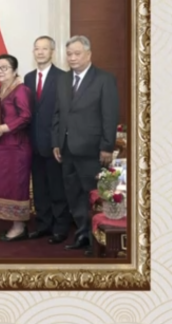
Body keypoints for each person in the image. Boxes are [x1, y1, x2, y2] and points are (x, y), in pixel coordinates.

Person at [51, 36, 119, 255]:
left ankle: (95, 239)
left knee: (93, 195)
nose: (72, 58)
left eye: (77, 53)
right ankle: (82, 234)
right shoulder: (63, 80)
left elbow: (110, 116)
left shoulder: (104, 79)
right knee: (74, 195)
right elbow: (58, 113)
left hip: (92, 149)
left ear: (88, 54)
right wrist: (56, 141)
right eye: (69, 54)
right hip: (67, 148)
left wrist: (107, 146)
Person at [25, 36, 71, 243]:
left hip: (54, 144)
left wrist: (57, 142)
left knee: (57, 188)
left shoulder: (63, 77)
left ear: (52, 52)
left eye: (44, 49)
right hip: (33, 143)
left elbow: (64, 113)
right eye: (37, 48)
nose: (40, 52)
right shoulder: (28, 78)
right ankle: (43, 225)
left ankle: (60, 228)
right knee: (40, 188)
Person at [0, 55, 33, 240]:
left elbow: (26, 116)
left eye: (4, 68)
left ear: (14, 70)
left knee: (16, 186)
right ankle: (9, 221)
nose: (0, 71)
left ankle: (19, 227)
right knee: (1, 185)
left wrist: (4, 128)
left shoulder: (21, 90)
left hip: (15, 147)